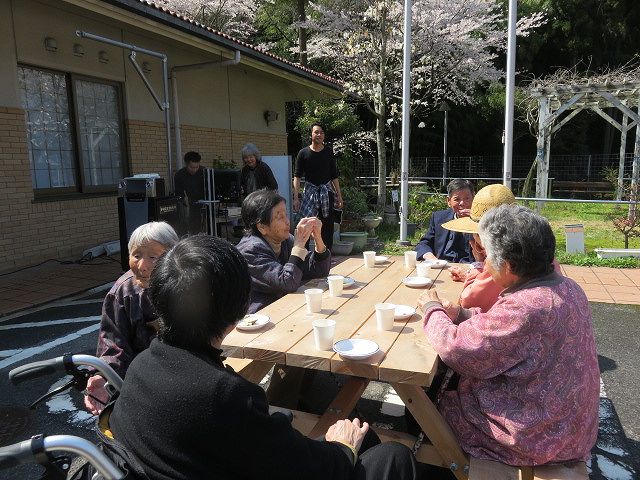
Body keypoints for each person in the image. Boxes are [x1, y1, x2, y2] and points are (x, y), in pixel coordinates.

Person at [106, 234, 418, 480]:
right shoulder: (224, 396)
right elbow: (312, 470)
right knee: (392, 455)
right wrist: (341, 447)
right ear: (238, 311)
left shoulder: (140, 367)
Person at [418, 204, 599, 465]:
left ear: (510, 266)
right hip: (572, 428)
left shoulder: (526, 306)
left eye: (488, 257)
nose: (484, 264)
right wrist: (460, 314)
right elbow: (507, 333)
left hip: (536, 439)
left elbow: (455, 349)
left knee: (426, 405)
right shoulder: (568, 288)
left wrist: (431, 308)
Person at [84, 221, 179, 415]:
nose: (143, 266)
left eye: (153, 257)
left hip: (183, 374)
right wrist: (102, 375)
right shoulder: (123, 292)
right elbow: (113, 342)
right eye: (136, 255)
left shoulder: (186, 281)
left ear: (173, 255)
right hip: (142, 381)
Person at [236, 189, 331, 313]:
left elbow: (319, 271)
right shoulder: (250, 251)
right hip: (259, 319)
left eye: (286, 214)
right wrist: (299, 245)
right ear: (262, 227)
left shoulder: (286, 240)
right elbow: (288, 282)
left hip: (284, 309)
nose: (287, 221)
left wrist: (318, 239)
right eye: (279, 217)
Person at [443, 183, 517, 312]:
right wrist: (468, 276)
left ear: (484, 234)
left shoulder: (501, 261)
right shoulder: (531, 244)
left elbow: (469, 301)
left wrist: (478, 263)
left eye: (475, 233)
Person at [293, 122, 343, 250]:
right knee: (306, 225)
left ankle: (326, 257)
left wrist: (339, 195)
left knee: (327, 227)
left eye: (321, 132)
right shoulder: (303, 153)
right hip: (309, 194)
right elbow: (297, 176)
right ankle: (302, 257)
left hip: (327, 193)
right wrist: (296, 198)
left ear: (324, 135)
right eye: (316, 132)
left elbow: (334, 176)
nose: (319, 134)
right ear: (311, 134)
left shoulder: (328, 152)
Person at [415, 178, 475, 263]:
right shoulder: (439, 217)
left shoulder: (483, 221)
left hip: (471, 267)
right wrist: (431, 258)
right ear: (448, 201)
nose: (462, 203)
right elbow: (424, 243)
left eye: (467, 198)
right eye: (457, 199)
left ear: (474, 198)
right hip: (441, 265)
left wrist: (475, 223)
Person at [174, 150, 205, 233]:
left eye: (196, 167)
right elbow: (179, 193)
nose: (194, 170)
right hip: (189, 203)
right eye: (191, 167)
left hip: (204, 202)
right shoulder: (180, 175)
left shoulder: (204, 172)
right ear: (186, 164)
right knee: (191, 225)